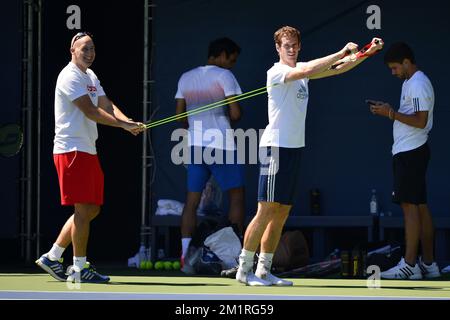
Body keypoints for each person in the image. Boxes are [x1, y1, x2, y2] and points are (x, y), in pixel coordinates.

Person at [235, 26, 383, 286]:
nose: (290, 49)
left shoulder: (305, 70)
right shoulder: (278, 71)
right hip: (275, 147)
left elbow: (339, 68)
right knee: (266, 210)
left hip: (294, 147)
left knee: (281, 212)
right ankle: (243, 269)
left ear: (299, 46)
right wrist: (340, 51)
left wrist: (366, 52)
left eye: (294, 45)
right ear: (278, 49)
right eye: (286, 45)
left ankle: (263, 270)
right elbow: (309, 69)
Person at [35, 31, 145, 283]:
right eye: (84, 48)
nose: (90, 53)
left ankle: (53, 256)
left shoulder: (91, 75)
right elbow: (90, 111)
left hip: (87, 149)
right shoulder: (69, 76)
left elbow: (105, 104)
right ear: (72, 50)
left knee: (91, 209)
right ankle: (79, 268)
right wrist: (122, 126)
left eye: (92, 48)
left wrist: (127, 121)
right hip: (71, 150)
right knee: (83, 209)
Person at [368, 42, 440, 280]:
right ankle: (428, 264)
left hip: (411, 152)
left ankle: (409, 265)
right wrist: (391, 110)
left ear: (407, 62)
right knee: (419, 207)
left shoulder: (418, 83)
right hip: (410, 151)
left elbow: (420, 121)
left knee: (410, 207)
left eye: (395, 67)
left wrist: (389, 113)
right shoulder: (412, 82)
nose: (394, 72)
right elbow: (413, 116)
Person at [175, 37, 245, 273]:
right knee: (236, 196)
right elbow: (235, 114)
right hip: (221, 145)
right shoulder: (225, 76)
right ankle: (235, 257)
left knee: (191, 202)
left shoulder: (186, 77)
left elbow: (180, 119)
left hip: (195, 145)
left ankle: (185, 257)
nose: (232, 65)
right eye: (232, 60)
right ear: (222, 55)